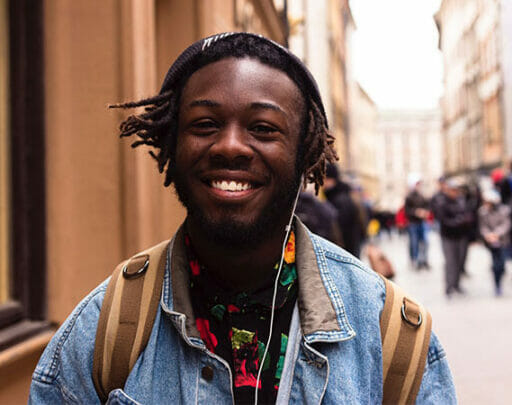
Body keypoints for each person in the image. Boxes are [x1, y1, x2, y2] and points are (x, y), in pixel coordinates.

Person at [29, 33, 455, 404]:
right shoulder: (104, 334)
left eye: (264, 128)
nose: (230, 146)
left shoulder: (392, 339)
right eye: (205, 124)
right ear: (171, 144)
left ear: (305, 154)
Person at [436, 179, 474, 297]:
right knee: (450, 261)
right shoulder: (442, 202)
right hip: (448, 235)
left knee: (460, 260)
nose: (455, 192)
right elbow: (443, 220)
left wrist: (465, 220)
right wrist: (456, 222)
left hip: (461, 235)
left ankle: (457, 284)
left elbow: (468, 212)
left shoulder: (461, 200)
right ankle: (449, 286)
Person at [323, 163, 367, 257]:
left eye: (325, 179)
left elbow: (343, 230)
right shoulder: (345, 194)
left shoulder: (339, 199)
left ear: (332, 179)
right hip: (352, 248)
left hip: (346, 250)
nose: (323, 183)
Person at [479, 190, 511, 297]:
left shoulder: (504, 210)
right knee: (495, 263)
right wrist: (488, 235)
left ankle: (500, 277)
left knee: (501, 263)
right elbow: (482, 226)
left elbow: (506, 224)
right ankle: (497, 284)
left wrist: (496, 234)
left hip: (502, 240)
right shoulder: (482, 212)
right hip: (490, 241)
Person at [404, 179, 430, 269]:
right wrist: (416, 212)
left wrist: (425, 212)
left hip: (422, 222)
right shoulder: (409, 197)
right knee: (413, 243)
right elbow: (406, 211)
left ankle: (423, 260)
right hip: (413, 223)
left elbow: (427, 206)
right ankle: (414, 260)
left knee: (424, 242)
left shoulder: (422, 196)